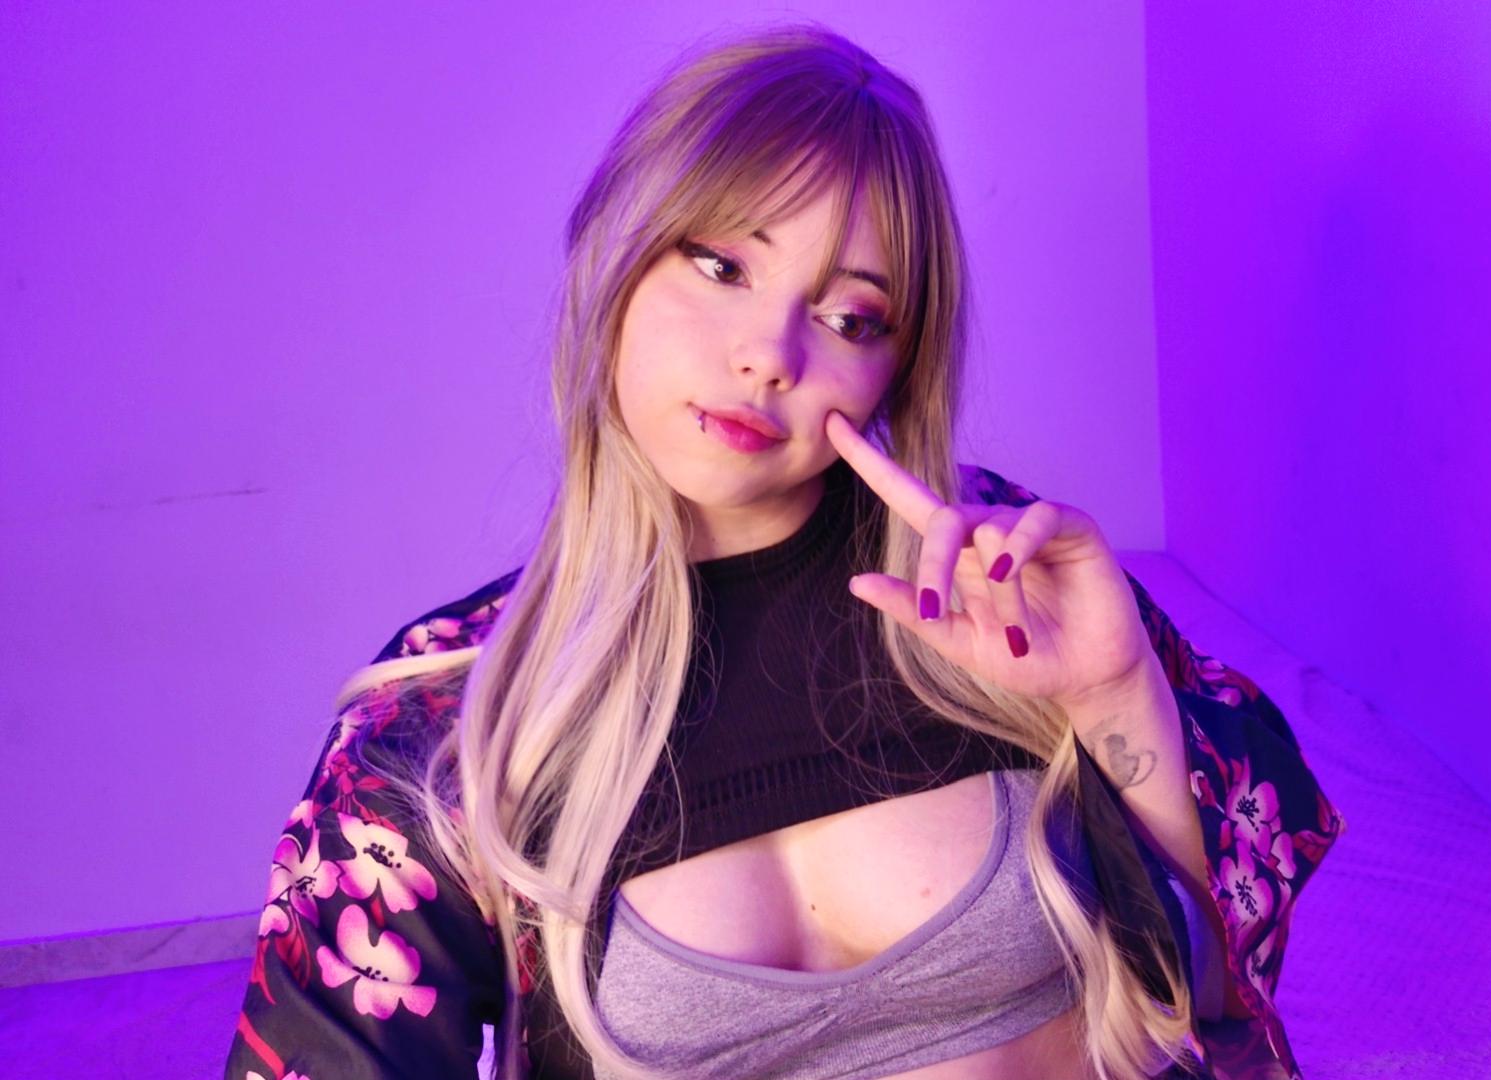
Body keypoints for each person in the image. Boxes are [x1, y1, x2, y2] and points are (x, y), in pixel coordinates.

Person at [226, 21, 1343, 1080]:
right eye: (722, 265)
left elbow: (1216, 992)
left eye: (851, 318)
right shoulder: (455, 716)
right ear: (616, 251)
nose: (770, 354)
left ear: (897, 369)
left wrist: (1112, 694)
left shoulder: (987, 579)